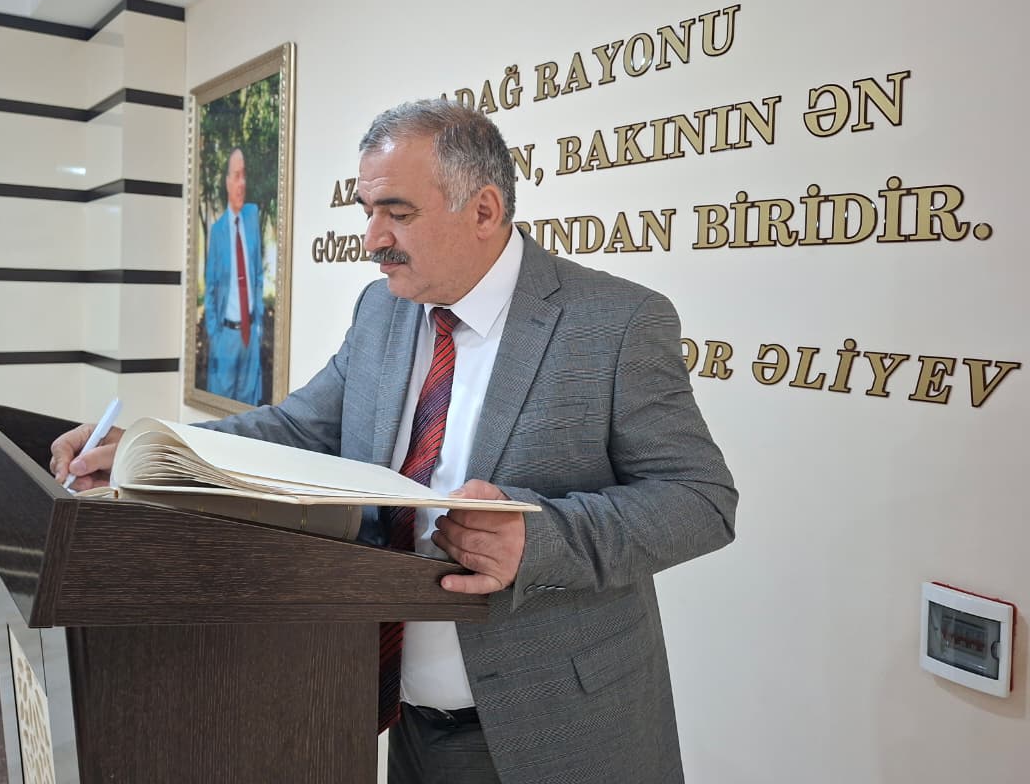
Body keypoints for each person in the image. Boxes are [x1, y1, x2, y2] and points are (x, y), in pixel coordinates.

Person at [50, 100, 737, 784]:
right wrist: (154, 453)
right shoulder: (382, 308)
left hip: (559, 728)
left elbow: (701, 499)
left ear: (484, 210)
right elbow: (298, 429)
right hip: (402, 718)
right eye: (367, 211)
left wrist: (541, 538)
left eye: (397, 213)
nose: (371, 239)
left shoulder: (616, 321)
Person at [203, 147, 265, 404]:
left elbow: (258, 275)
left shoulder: (251, 218)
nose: (242, 183)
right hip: (226, 336)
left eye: (244, 175)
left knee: (249, 407)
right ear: (227, 181)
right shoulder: (218, 231)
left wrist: (259, 323)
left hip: (251, 335)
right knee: (222, 405)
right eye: (236, 176)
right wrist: (215, 335)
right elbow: (210, 289)